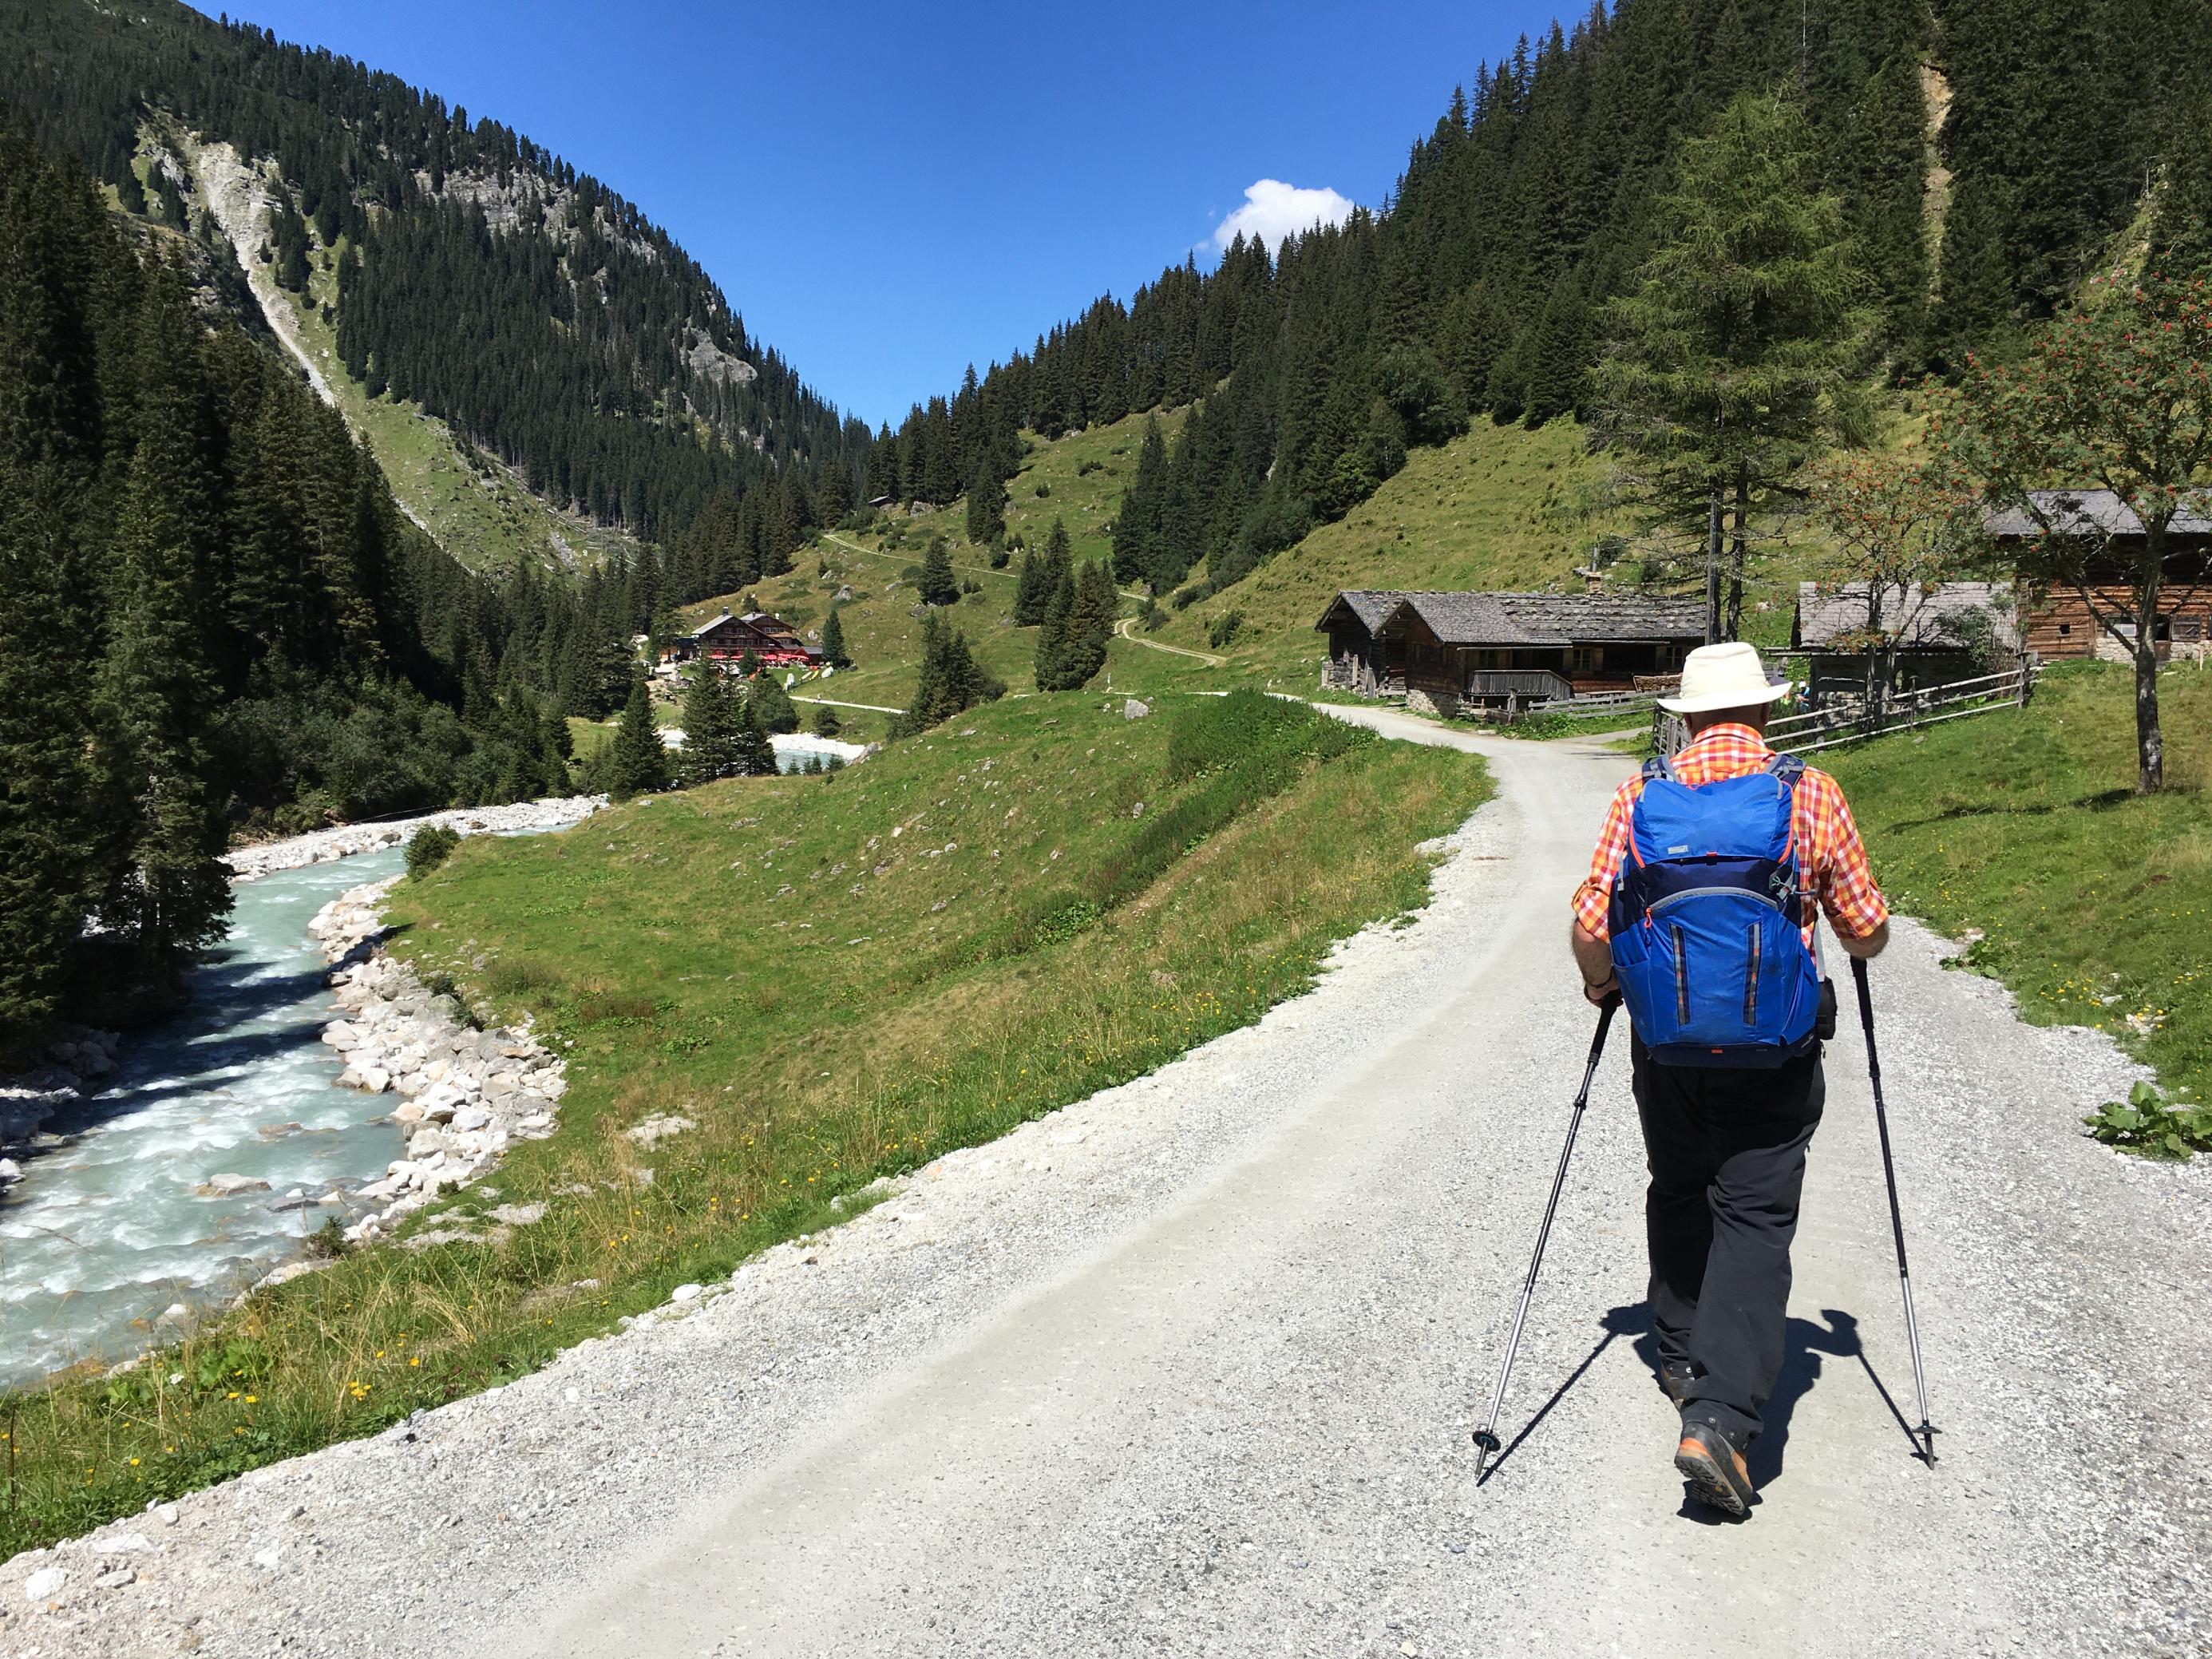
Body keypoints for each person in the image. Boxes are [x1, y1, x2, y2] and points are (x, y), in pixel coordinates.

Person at [1568, 641, 1889, 1516]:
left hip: (1665, 1042)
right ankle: (1716, 1417)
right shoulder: (1805, 791)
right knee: (1752, 1213)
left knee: (1677, 1186)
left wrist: (1603, 985)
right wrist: (1854, 935)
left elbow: (1590, 922)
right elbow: (1862, 927)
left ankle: (1676, 1355)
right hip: (1773, 1049)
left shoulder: (1640, 794)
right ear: (1763, 711)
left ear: (1684, 716)